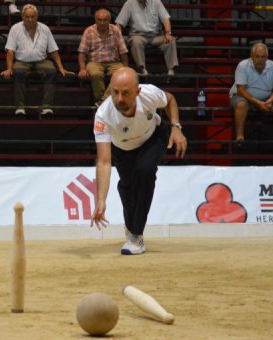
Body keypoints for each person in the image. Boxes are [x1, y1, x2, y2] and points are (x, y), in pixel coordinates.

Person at [90, 67, 186, 255]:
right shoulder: (103, 115)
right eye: (115, 92)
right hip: (123, 148)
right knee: (127, 187)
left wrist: (176, 127)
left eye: (126, 93)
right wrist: (100, 200)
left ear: (137, 91)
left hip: (153, 137)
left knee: (145, 171)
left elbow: (170, 99)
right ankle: (132, 228)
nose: (119, 99)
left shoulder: (149, 93)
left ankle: (136, 236)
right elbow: (103, 161)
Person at [1, 4, 71, 116]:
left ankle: (47, 107)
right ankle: (20, 107)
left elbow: (53, 50)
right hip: (21, 61)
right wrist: (9, 68)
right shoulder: (15, 28)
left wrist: (61, 67)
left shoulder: (45, 28)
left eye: (32, 16)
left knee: (51, 71)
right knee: (17, 72)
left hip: (42, 61)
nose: (30, 19)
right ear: (22, 17)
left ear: (37, 16)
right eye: (27, 17)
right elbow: (10, 51)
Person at [229, 43, 273, 142]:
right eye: (257, 57)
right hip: (243, 97)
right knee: (241, 104)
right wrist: (258, 102)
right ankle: (239, 137)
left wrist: (269, 101)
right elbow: (241, 90)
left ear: (267, 57)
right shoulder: (242, 65)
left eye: (263, 57)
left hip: (266, 99)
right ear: (251, 56)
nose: (260, 60)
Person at [78, 8, 129, 107]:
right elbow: (82, 52)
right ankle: (101, 99)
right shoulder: (89, 31)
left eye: (105, 20)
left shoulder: (116, 30)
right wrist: (82, 68)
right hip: (94, 61)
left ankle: (103, 101)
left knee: (121, 75)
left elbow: (123, 52)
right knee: (95, 73)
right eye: (99, 20)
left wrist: (126, 68)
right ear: (95, 20)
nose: (102, 22)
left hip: (114, 62)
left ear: (109, 20)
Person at [114, 0, 178, 77]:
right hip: (138, 35)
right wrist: (119, 38)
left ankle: (171, 70)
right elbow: (119, 23)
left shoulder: (156, 2)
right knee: (136, 41)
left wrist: (167, 33)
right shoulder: (129, 3)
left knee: (171, 40)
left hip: (156, 35)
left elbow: (166, 19)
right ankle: (142, 69)